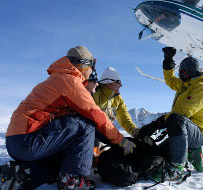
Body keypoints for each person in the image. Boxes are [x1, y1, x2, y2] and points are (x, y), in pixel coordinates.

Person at [0, 46, 136, 190]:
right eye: (92, 66)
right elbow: (97, 116)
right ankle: (72, 179)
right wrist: (120, 140)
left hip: (17, 142)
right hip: (28, 140)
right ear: (84, 65)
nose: (92, 72)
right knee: (86, 124)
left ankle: (22, 174)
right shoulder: (70, 82)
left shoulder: (58, 79)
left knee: (62, 159)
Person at [138, 47, 203, 181]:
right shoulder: (186, 85)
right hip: (182, 131)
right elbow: (171, 81)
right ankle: (191, 151)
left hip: (197, 134)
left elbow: (183, 113)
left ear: (185, 73)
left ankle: (177, 168)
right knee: (159, 153)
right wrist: (168, 62)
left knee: (176, 118)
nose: (181, 77)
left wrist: (157, 123)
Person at [91, 67, 153, 152]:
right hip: (93, 135)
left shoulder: (118, 99)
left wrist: (135, 132)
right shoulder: (94, 95)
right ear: (109, 82)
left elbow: (125, 120)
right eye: (118, 82)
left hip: (108, 135)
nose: (121, 85)